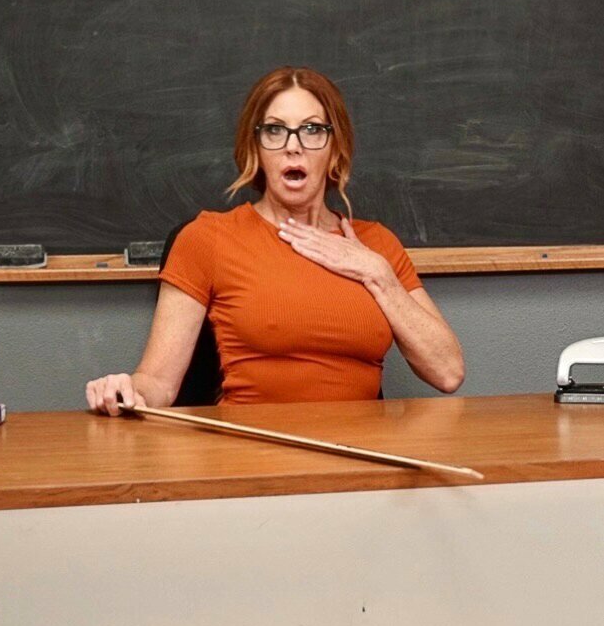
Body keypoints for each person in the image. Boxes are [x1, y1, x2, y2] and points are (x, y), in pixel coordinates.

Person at [86, 66, 464, 415]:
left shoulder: (377, 244)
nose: (293, 146)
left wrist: (377, 274)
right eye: (274, 130)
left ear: (336, 148)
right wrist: (125, 391)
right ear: (255, 148)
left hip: (360, 455)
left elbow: (448, 373)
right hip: (252, 454)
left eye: (312, 130)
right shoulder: (207, 238)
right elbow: (157, 383)